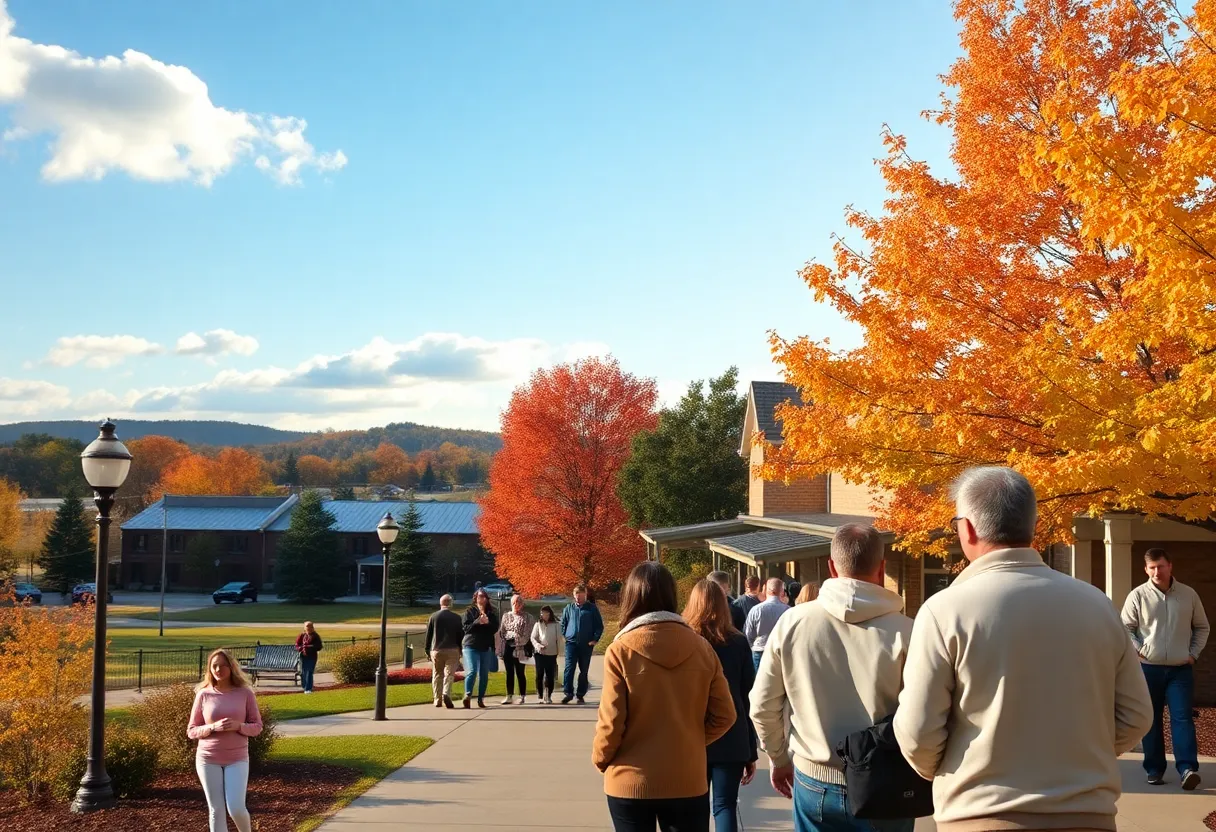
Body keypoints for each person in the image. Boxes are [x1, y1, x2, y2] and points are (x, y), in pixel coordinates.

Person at [895, 467, 1154, 832]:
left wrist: (953, 768)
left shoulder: (944, 610)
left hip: (979, 813)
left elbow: (919, 732)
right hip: (1088, 813)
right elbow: (1137, 715)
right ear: (1032, 525)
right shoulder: (1096, 604)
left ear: (966, 528)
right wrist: (1082, 758)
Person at [750, 524, 913, 832]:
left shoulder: (793, 623)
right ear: (882, 568)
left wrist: (778, 756)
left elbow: (761, 705)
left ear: (831, 567)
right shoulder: (908, 632)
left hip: (816, 779)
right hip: (887, 781)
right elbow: (926, 715)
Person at [593, 561, 736, 831]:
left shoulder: (621, 650)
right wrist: (690, 741)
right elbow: (725, 715)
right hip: (686, 777)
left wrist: (601, 758)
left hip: (630, 778)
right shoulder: (702, 648)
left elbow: (611, 722)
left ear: (631, 597)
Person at [1122, 547, 1210, 789]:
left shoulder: (1188, 595)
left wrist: (1192, 654)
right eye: (1152, 568)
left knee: (1182, 718)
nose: (1156, 572)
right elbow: (1125, 627)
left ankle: (1187, 769)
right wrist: (1140, 650)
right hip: (1149, 669)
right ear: (1146, 569)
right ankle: (1154, 769)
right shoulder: (1137, 595)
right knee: (1151, 721)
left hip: (1180, 670)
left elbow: (1202, 627)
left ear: (1170, 566)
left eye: (1160, 566)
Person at [684, 578, 758, 832]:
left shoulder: (685, 641)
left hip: (693, 732)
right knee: (725, 805)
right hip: (732, 731)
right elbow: (748, 695)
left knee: (695, 808)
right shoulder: (737, 642)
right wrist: (751, 750)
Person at [187, 648, 264, 832]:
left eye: (222, 666)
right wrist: (212, 727)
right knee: (216, 810)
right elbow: (191, 731)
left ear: (231, 667)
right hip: (208, 759)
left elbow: (257, 726)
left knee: (236, 807)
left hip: (237, 759)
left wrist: (239, 726)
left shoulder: (245, 693)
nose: (218, 669)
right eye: (214, 666)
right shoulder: (203, 694)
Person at [561, 583, 604, 705]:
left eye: (581, 595)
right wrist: (565, 635)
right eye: (576, 595)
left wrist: (595, 639)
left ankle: (580, 694)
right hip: (571, 643)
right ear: (574, 595)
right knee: (569, 668)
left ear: (585, 595)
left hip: (586, 644)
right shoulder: (569, 608)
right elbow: (563, 623)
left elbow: (599, 626)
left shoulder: (591, 609)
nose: (578, 598)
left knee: (583, 670)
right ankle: (568, 693)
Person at [461, 587, 499, 709]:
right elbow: (466, 628)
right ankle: (467, 695)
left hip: (485, 646)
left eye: (483, 596)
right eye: (479, 596)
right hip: (471, 645)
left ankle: (480, 699)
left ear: (487, 599)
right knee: (472, 671)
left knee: (484, 674)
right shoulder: (469, 612)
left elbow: (495, 629)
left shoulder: (491, 613)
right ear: (475, 598)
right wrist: (478, 622)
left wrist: (487, 623)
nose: (481, 599)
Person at [425, 594, 463, 709]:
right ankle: (446, 692)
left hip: (437, 649)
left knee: (437, 674)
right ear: (450, 603)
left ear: (440, 603)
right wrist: (460, 649)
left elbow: (429, 635)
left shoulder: (433, 616)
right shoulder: (457, 618)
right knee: (449, 674)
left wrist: (427, 649)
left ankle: (437, 699)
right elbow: (460, 635)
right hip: (452, 649)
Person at [498, 593, 536, 705]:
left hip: (521, 648)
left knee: (520, 672)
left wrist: (518, 639)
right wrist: (513, 635)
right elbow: (503, 632)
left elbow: (528, 633)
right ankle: (509, 695)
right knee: (509, 672)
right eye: (514, 602)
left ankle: (522, 696)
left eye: (518, 602)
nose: (516, 605)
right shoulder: (506, 616)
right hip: (508, 647)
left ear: (522, 604)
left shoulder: (528, 617)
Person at [743, 578, 788, 672]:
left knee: (760, 683)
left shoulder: (756, 609)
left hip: (760, 650)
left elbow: (748, 633)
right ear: (782, 592)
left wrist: (753, 645)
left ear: (766, 591)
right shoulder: (788, 611)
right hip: (781, 651)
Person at [532, 604, 561, 704]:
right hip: (539, 653)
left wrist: (559, 652)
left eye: (545, 613)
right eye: (541, 613)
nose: (543, 615)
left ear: (549, 614)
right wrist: (538, 646)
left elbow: (559, 639)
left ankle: (548, 695)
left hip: (551, 653)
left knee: (550, 675)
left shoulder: (556, 625)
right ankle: (540, 694)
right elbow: (533, 637)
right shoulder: (538, 624)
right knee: (539, 674)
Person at [293, 621, 323, 694]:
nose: (308, 628)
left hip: (312, 657)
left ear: (312, 627)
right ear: (304, 627)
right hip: (303, 657)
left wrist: (310, 647)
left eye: (310, 626)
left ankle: (308, 688)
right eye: (307, 626)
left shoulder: (315, 636)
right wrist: (301, 648)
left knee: (309, 672)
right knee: (303, 672)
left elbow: (319, 646)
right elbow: (297, 645)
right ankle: (305, 687)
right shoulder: (302, 635)